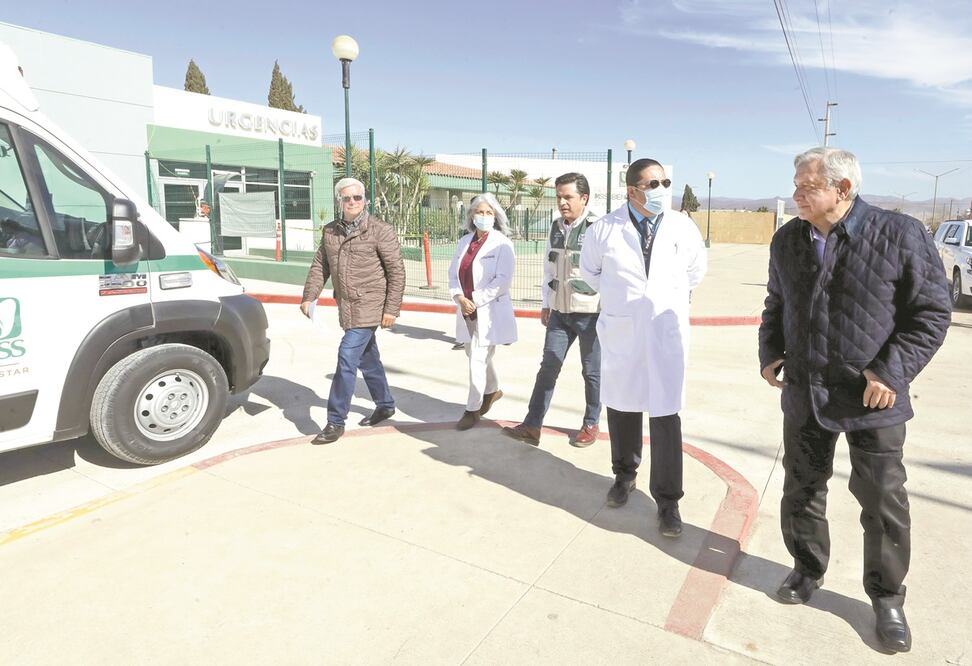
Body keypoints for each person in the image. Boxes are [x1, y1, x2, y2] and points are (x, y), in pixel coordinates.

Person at [759, 147, 950, 653]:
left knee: (883, 501)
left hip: (873, 397)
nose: (797, 194)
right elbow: (776, 302)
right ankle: (806, 568)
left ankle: (886, 598)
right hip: (806, 391)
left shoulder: (899, 234)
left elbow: (931, 312)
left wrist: (892, 371)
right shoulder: (787, 240)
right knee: (802, 488)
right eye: (796, 184)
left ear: (843, 190)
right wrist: (769, 353)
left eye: (807, 186)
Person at [579, 158, 706, 538]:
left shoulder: (682, 226)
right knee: (622, 406)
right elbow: (590, 273)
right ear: (631, 190)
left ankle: (668, 501)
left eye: (665, 182)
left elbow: (696, 272)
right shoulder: (603, 229)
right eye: (653, 184)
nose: (662, 190)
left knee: (666, 413)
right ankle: (624, 475)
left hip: (666, 331)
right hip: (624, 329)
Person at [301, 177, 406, 444]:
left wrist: (391, 308)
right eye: (346, 198)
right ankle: (385, 403)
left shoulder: (380, 230)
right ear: (339, 201)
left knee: (347, 356)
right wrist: (309, 297)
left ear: (364, 200)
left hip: (370, 304)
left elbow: (396, 270)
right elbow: (319, 267)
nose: (352, 202)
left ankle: (335, 421)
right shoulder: (330, 232)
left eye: (357, 197)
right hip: (346, 306)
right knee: (368, 359)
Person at [504, 172, 601, 447]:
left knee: (592, 372)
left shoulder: (597, 228)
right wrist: (546, 304)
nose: (562, 202)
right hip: (559, 313)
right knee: (548, 367)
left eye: (568, 197)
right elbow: (548, 268)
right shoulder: (556, 226)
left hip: (591, 313)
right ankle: (532, 425)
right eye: (558, 197)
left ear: (584, 198)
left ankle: (590, 422)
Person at [447, 192, 517, 430]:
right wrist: (458, 296)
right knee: (474, 355)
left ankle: (472, 409)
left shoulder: (502, 244)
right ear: (471, 215)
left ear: (496, 216)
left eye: (489, 213)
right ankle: (492, 389)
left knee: (477, 358)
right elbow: (453, 273)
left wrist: (474, 300)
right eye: (480, 212)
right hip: (466, 310)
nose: (484, 217)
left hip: (488, 311)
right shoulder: (463, 242)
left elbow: (502, 282)